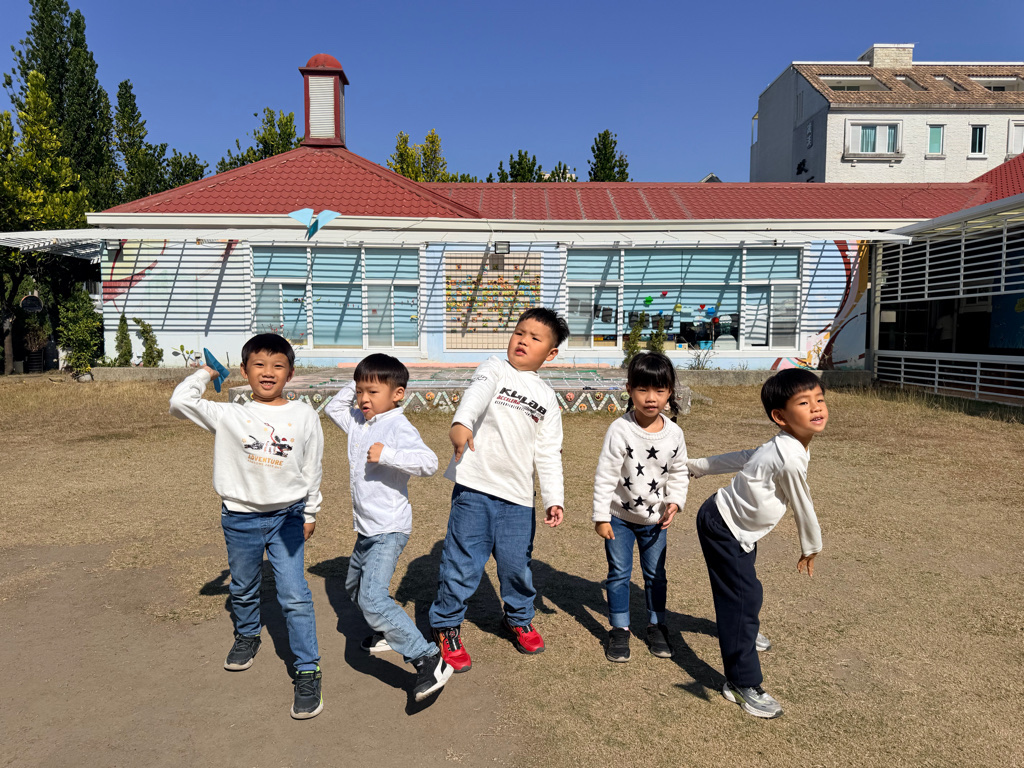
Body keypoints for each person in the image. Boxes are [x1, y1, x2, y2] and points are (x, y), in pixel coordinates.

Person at [168, 333, 325, 720]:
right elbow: (180, 402)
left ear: (290, 373)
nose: (268, 373)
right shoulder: (229, 415)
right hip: (240, 518)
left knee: (295, 595)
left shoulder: (304, 415)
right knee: (242, 585)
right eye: (259, 365)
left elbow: (313, 466)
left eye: (278, 366)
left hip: (288, 517)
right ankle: (248, 635)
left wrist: (310, 512)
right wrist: (206, 373)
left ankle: (308, 670)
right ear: (244, 370)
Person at [428, 307, 569, 672]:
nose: (523, 340)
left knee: (516, 566)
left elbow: (548, 452)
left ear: (551, 353)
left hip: (518, 500)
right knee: (462, 564)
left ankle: (518, 618)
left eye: (535, 338)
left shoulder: (547, 397)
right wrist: (462, 423)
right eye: (519, 332)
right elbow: (477, 394)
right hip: (474, 490)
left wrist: (554, 498)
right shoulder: (494, 367)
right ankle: (446, 625)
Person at [687, 368, 828, 719]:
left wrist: (699, 466)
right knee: (741, 598)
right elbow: (803, 503)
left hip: (736, 528)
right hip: (724, 527)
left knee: (748, 594)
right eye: (804, 403)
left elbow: (744, 456)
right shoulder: (788, 454)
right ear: (780, 417)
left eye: (819, 399)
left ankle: (742, 631)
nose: (816, 407)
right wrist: (811, 546)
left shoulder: (786, 445)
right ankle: (741, 682)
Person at [324, 353, 453, 702]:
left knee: (371, 597)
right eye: (359, 391)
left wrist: (388, 455)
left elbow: (429, 462)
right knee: (355, 589)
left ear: (398, 394)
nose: (363, 399)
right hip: (367, 528)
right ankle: (387, 630)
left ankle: (428, 659)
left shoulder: (398, 425)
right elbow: (333, 408)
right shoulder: (358, 420)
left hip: (388, 528)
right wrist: (356, 381)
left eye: (373, 392)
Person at [592, 352, 689, 662]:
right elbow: (606, 473)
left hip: (655, 520)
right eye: (643, 389)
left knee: (656, 575)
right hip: (618, 518)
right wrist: (601, 516)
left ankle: (657, 625)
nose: (651, 398)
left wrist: (675, 502)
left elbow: (679, 472)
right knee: (619, 574)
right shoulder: (620, 429)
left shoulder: (675, 434)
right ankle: (619, 629)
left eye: (660, 390)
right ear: (629, 389)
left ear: (670, 392)